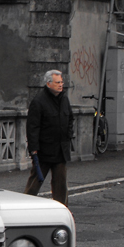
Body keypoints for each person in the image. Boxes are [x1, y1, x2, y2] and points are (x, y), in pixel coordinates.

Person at [25, 69, 74, 205]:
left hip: (60, 149)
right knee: (35, 182)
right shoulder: (39, 101)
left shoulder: (64, 99)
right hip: (44, 150)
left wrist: (68, 135)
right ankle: (25, 205)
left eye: (61, 82)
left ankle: (62, 208)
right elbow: (32, 127)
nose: (61, 85)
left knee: (61, 183)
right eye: (57, 82)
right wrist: (33, 148)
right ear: (48, 84)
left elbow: (70, 118)